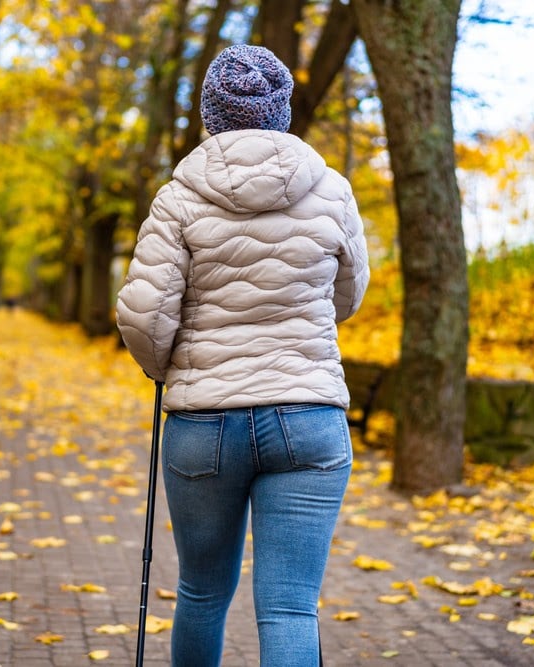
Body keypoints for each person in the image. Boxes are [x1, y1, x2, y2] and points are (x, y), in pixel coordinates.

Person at [116, 44, 370, 666]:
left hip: (205, 425)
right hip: (309, 419)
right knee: (289, 606)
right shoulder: (332, 191)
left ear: (210, 114)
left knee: (201, 591)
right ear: (281, 111)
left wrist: (166, 366)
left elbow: (143, 317)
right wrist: (296, 329)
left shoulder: (178, 197)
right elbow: (349, 293)